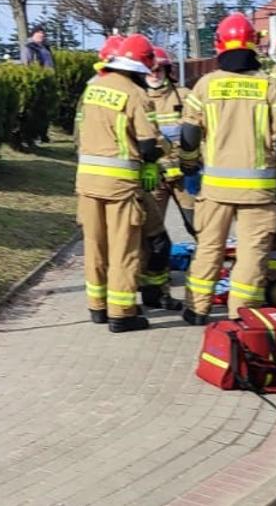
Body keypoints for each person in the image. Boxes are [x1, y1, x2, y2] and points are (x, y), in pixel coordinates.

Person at [177, 14, 276, 324]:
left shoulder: (205, 86)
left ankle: (197, 309)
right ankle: (242, 315)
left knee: (209, 248)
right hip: (258, 192)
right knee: (252, 255)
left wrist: (189, 167)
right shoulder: (270, 87)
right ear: (254, 45)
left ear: (219, 45)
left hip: (216, 189)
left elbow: (189, 135)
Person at [74, 33, 164, 333]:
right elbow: (149, 145)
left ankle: (97, 307)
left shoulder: (92, 88)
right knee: (124, 248)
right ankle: (122, 313)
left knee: (94, 245)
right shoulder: (136, 95)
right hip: (120, 185)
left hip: (87, 181)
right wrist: (152, 163)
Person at [136, 47, 186, 311]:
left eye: (159, 69)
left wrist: (191, 165)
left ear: (168, 70)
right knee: (154, 238)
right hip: (153, 177)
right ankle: (158, 290)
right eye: (150, 70)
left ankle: (206, 285)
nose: (154, 74)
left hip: (184, 177)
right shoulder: (138, 98)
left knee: (202, 228)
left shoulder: (184, 96)